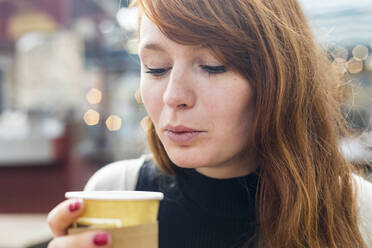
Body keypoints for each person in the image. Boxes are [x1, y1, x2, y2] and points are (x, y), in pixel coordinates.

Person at [47, 0, 372, 247]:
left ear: (279, 81)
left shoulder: (357, 209)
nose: (174, 96)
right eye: (156, 68)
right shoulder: (116, 189)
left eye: (213, 66)